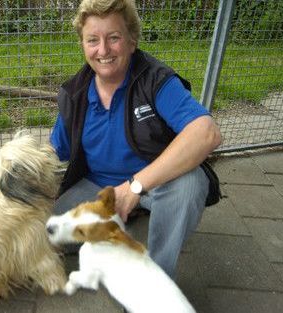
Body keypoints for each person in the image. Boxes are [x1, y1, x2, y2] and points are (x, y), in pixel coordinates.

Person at [50, 0, 222, 279]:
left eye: (114, 38)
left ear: (131, 41)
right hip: (97, 187)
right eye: (92, 40)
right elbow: (53, 150)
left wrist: (135, 187)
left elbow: (206, 132)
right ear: (83, 44)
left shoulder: (156, 81)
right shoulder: (74, 94)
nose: (103, 50)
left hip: (156, 184)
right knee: (46, 232)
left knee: (190, 185)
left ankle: (155, 279)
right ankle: (122, 224)